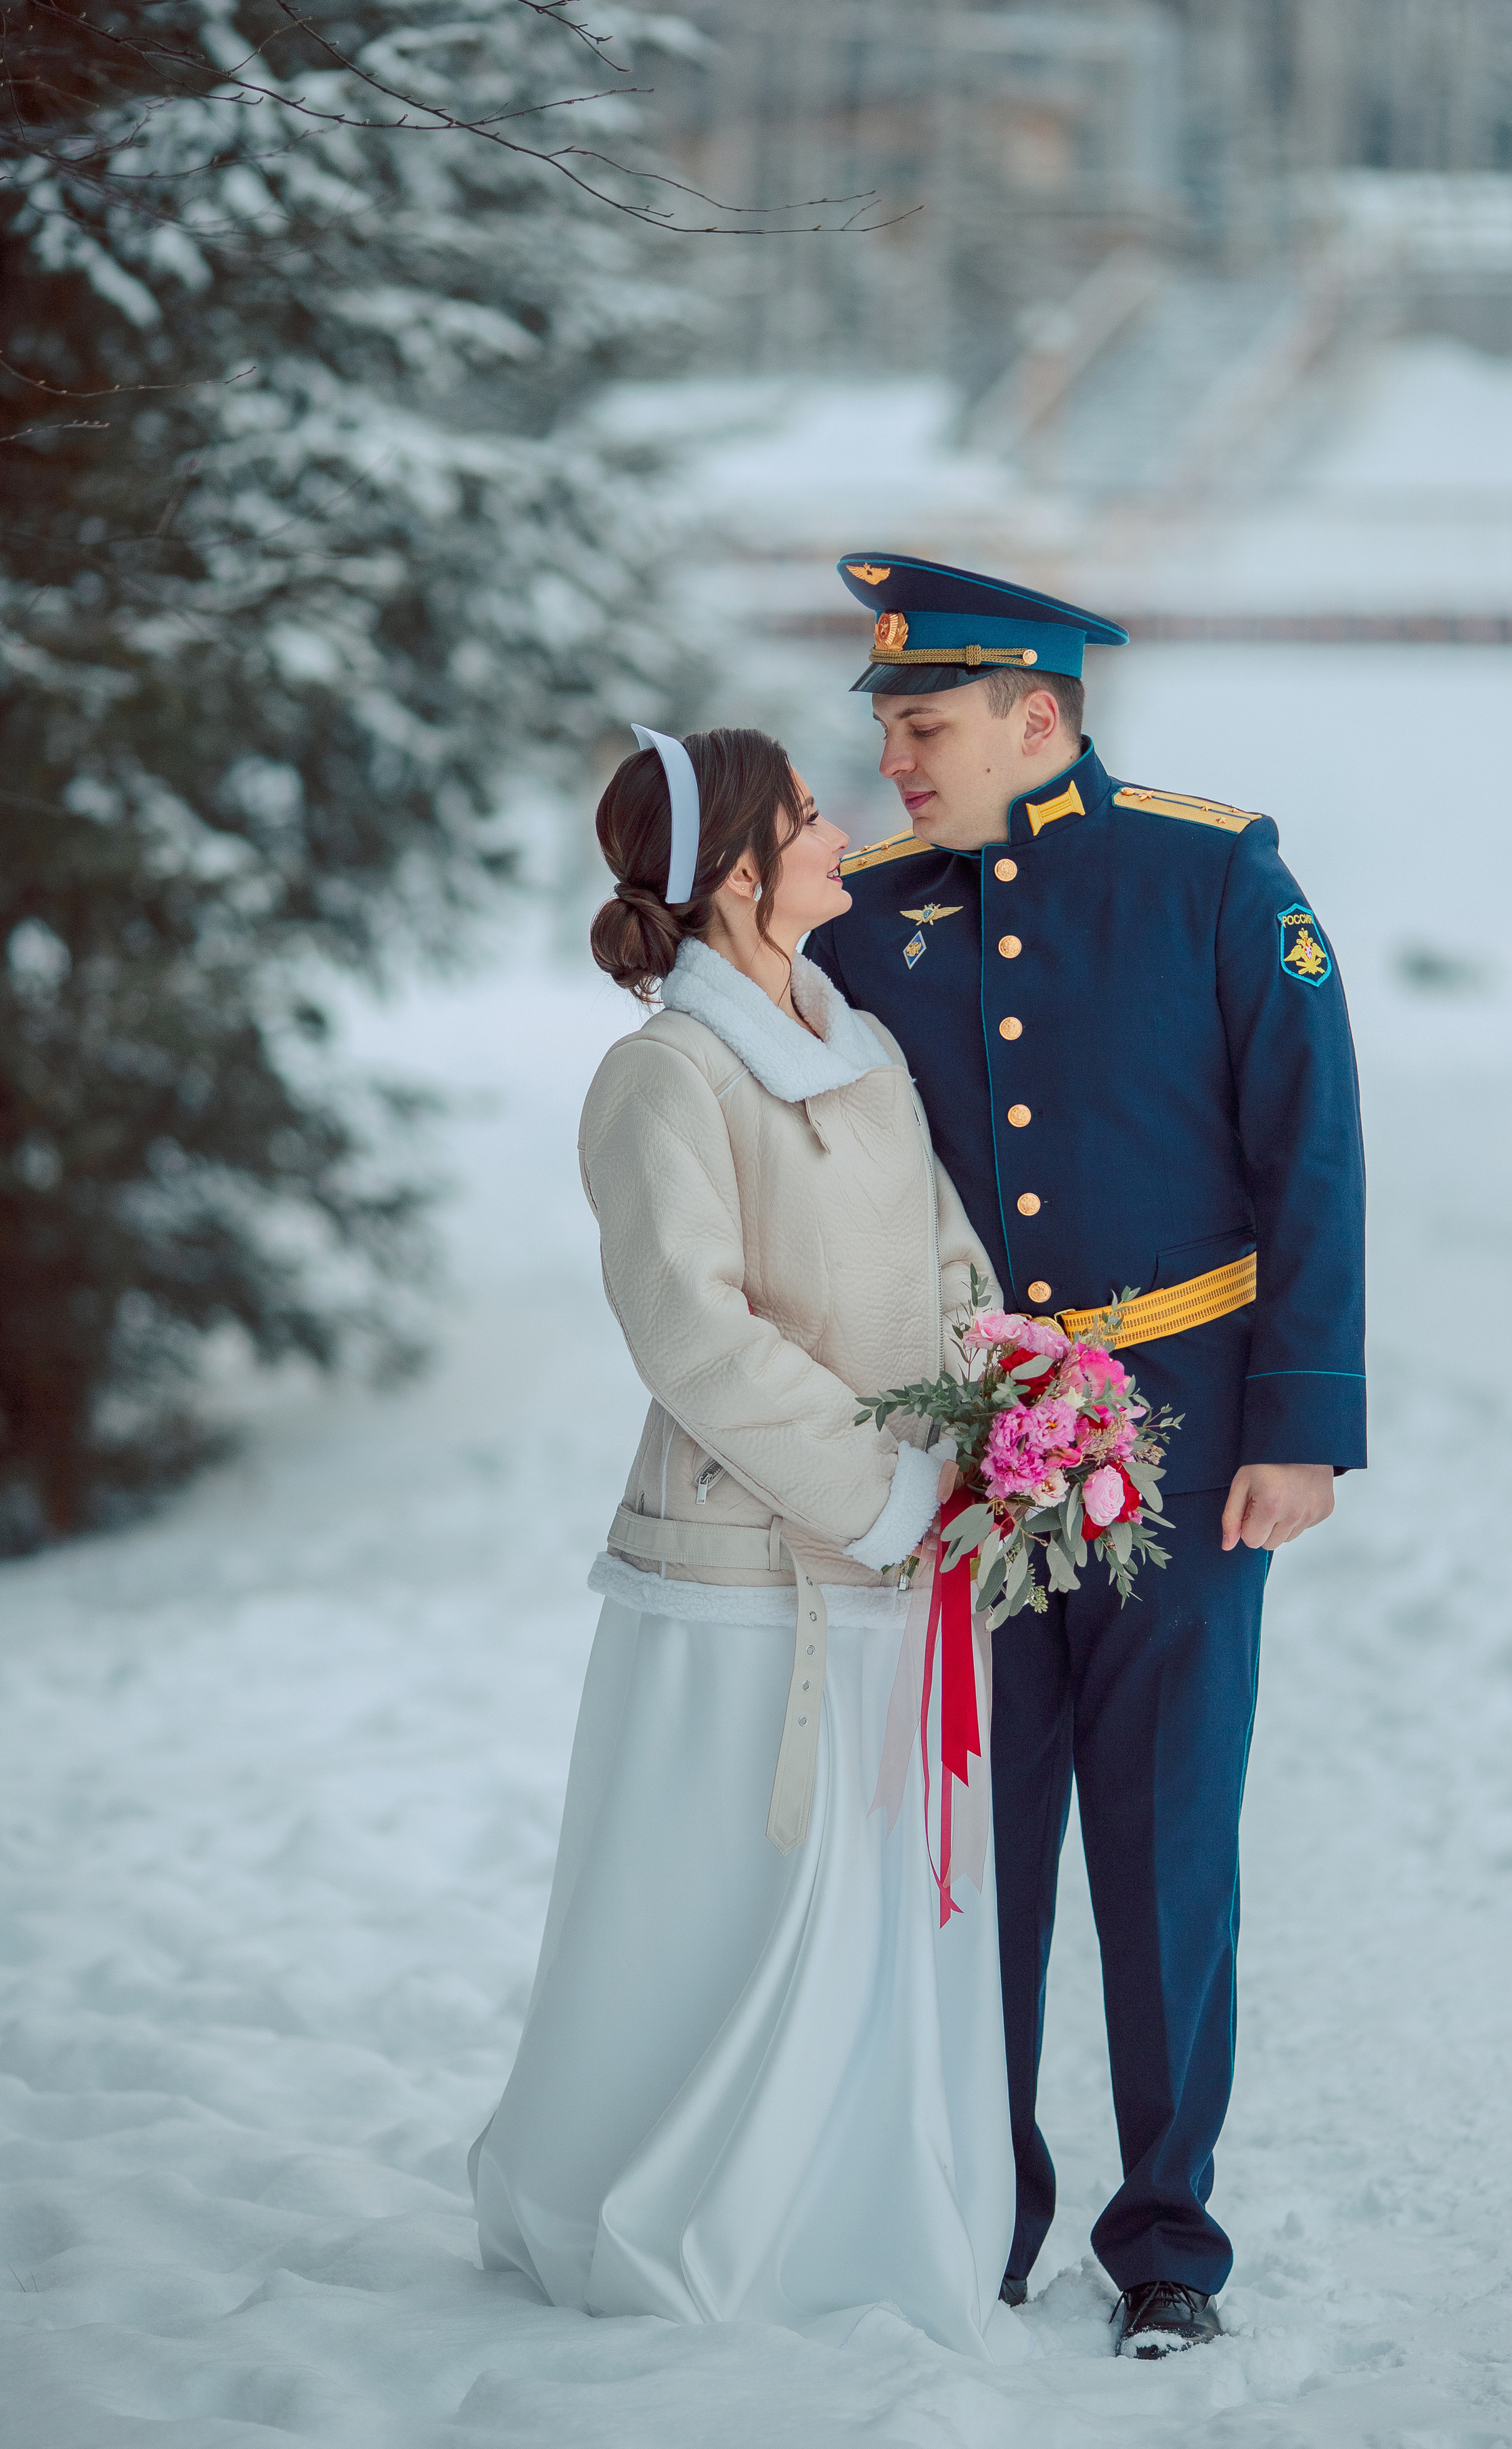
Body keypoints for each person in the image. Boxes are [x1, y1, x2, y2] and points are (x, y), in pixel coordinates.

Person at [804, 554, 1367, 2361]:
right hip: (969, 1462)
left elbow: (1315, 1158)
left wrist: (1303, 1431)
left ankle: (1169, 2239)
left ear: (1039, 717)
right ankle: (983, 2202)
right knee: (980, 1845)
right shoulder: (865, 925)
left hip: (1189, 1456)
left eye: (929, 726)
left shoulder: (1213, 874)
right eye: (887, 728)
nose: (899, 760)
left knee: (1164, 1843)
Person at [470, 724, 1026, 2360]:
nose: (837, 830)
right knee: (729, 1917)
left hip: (909, 1553)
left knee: (878, 1921)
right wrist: (883, 1486)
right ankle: (688, 2209)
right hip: (743, 1583)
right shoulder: (662, 1074)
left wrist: (997, 1432)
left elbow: (953, 1270)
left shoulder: (861, 1047)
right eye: (801, 818)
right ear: (731, 874)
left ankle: (867, 2210)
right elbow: (688, 1333)